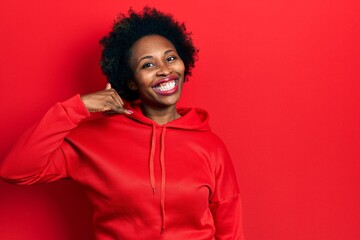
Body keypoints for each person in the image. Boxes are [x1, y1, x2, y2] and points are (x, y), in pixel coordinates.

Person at [0, 7, 244, 240]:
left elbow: (230, 229)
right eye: (148, 65)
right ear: (130, 82)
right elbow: (17, 170)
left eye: (170, 58)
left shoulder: (211, 146)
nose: (164, 70)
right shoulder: (93, 140)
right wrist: (77, 107)